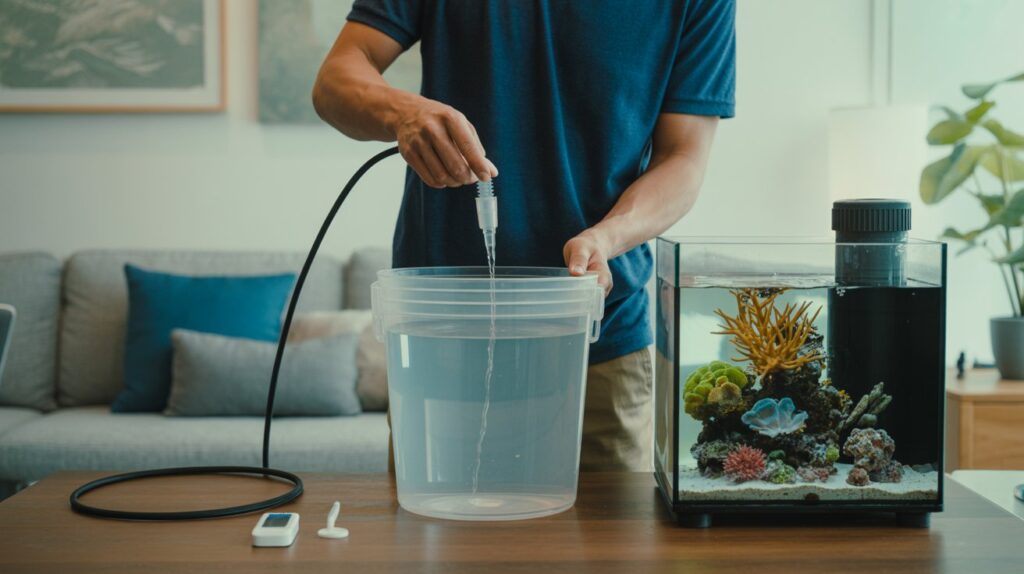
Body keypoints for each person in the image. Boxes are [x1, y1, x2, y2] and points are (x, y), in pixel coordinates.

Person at [313, 0, 735, 471]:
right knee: (429, 540)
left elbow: (685, 159)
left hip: (598, 343)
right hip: (442, 340)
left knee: (612, 543)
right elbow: (335, 80)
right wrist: (402, 111)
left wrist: (607, 238)